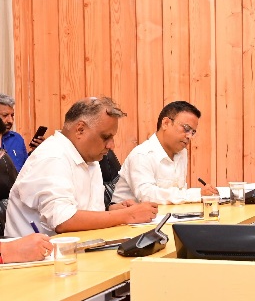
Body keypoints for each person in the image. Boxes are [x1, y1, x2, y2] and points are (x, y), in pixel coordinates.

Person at [5, 97, 159, 237]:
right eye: (106, 137)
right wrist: (128, 215)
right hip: (39, 257)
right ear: (80, 130)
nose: (111, 145)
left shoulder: (89, 157)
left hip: (78, 249)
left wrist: (112, 211)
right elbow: (63, 221)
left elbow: (82, 211)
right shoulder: (52, 157)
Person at [112, 101, 218, 204]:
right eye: (186, 129)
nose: (189, 136)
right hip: (129, 215)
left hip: (165, 213)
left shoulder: (182, 153)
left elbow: (177, 195)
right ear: (166, 123)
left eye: (193, 132)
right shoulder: (142, 155)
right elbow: (147, 196)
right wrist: (196, 194)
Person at [0, 93, 44, 171]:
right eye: (5, 115)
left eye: (12, 115)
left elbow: (26, 168)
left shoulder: (17, 139)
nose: (10, 120)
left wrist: (35, 152)